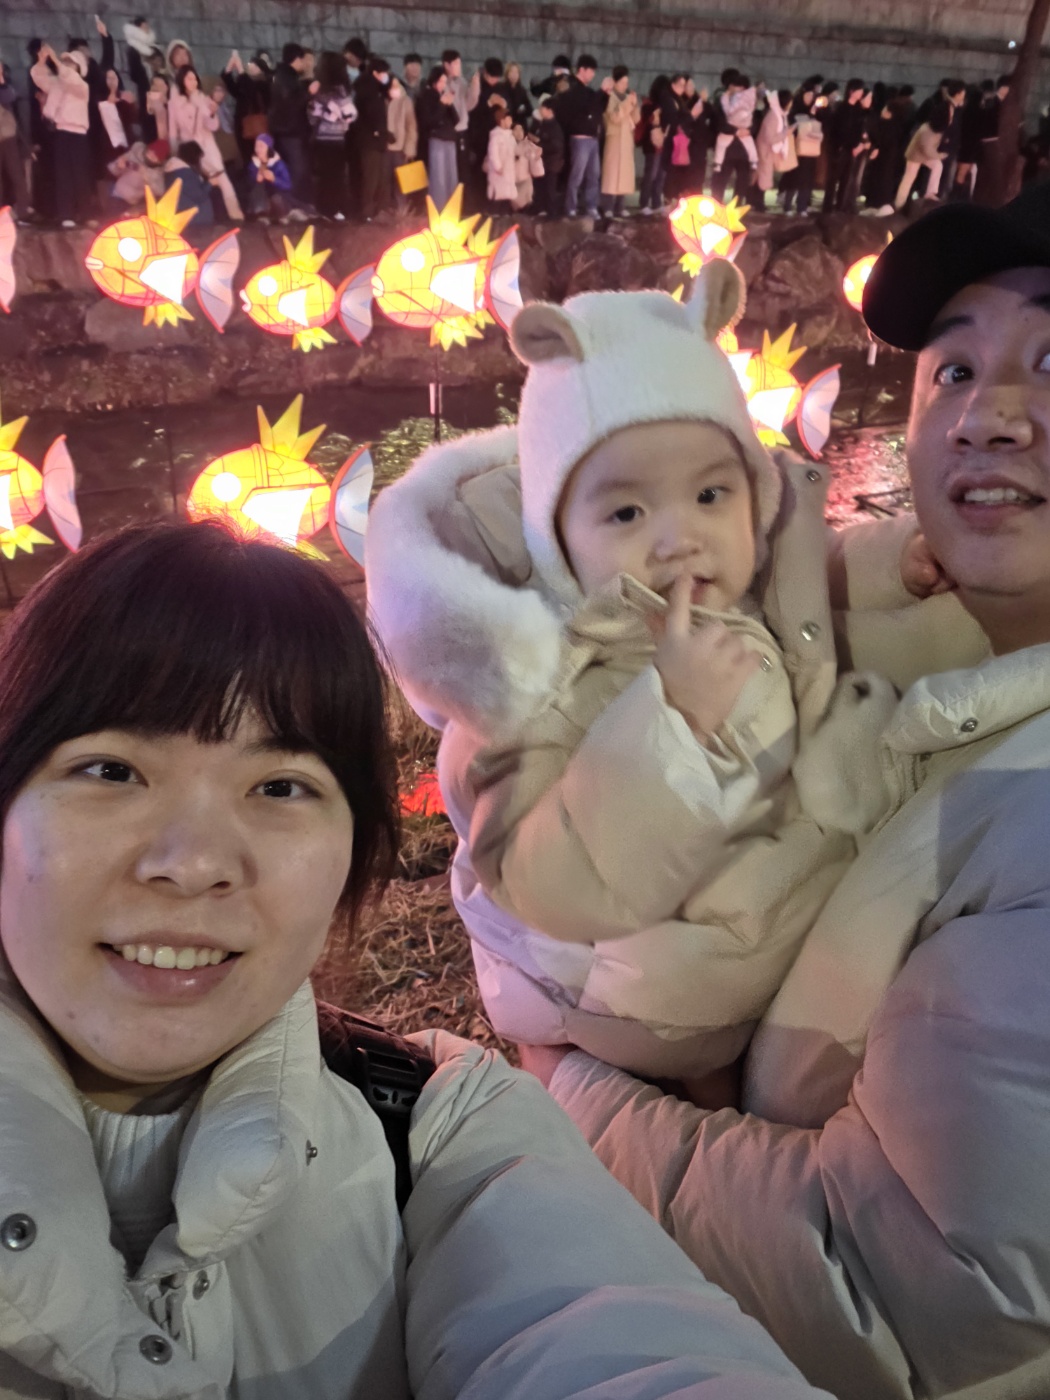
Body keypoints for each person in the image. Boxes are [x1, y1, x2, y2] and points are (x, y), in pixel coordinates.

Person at [0, 520, 832, 1400]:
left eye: (280, 786)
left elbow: (628, 1346)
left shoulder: (441, 1130)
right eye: (112, 771)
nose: (196, 860)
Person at [511, 180, 1050, 1400]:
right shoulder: (930, 667)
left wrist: (565, 1095)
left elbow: (910, 1294)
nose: (987, 415)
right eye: (954, 369)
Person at [365, 263, 949, 1099]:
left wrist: (897, 563)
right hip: (648, 1008)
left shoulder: (733, 578)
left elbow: (805, 563)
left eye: (711, 494)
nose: (681, 537)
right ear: (555, 539)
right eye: (627, 513)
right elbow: (547, 879)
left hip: (762, 938)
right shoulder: (547, 680)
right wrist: (674, 727)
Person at [167, 66, 243, 220]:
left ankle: (236, 215)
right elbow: (173, 130)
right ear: (182, 80)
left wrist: (212, 113)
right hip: (189, 149)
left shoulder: (204, 99)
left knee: (222, 178)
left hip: (207, 146)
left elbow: (213, 126)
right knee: (198, 181)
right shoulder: (174, 103)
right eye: (189, 78)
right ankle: (206, 216)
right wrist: (174, 152)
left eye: (194, 78)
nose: (193, 81)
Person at [30, 43, 91, 227]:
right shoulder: (57, 83)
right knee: (63, 175)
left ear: (79, 67)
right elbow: (39, 77)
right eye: (65, 61)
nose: (66, 65)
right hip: (61, 131)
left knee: (79, 175)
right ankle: (66, 215)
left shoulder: (82, 85)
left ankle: (84, 213)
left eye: (70, 62)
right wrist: (42, 61)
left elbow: (70, 78)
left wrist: (55, 60)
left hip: (78, 134)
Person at [307, 50, 356, 221]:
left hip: (322, 139)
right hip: (338, 139)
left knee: (325, 176)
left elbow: (312, 117)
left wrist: (326, 112)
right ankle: (336, 209)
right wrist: (337, 115)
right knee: (337, 176)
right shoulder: (342, 91)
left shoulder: (319, 91)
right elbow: (351, 115)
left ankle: (325, 209)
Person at [557, 54, 606, 218]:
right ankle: (571, 206)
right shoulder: (572, 88)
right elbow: (585, 106)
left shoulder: (588, 91)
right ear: (582, 70)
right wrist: (602, 91)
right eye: (591, 71)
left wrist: (605, 94)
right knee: (577, 175)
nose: (593, 75)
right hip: (579, 138)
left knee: (594, 175)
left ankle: (591, 206)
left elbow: (597, 107)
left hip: (592, 138)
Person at [269, 42, 314, 203]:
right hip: (290, 131)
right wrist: (309, 92)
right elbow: (291, 104)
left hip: (287, 130)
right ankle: (294, 205)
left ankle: (293, 204)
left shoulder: (284, 75)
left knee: (296, 169)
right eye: (303, 60)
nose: (305, 64)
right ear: (297, 59)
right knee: (297, 170)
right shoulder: (286, 77)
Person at [354, 55, 392, 220]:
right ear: (376, 73)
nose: (386, 76)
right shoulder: (369, 90)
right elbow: (372, 115)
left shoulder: (375, 89)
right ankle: (368, 213)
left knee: (380, 177)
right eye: (384, 73)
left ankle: (379, 210)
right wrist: (381, 131)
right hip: (371, 141)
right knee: (372, 178)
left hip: (376, 141)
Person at [416, 66, 459, 212]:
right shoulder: (426, 96)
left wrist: (450, 104)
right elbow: (429, 121)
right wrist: (441, 104)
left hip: (450, 139)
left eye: (445, 82)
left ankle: (452, 208)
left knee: (451, 175)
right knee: (438, 176)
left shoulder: (443, 96)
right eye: (441, 81)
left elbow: (456, 120)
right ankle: (438, 209)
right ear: (434, 81)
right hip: (436, 139)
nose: (443, 85)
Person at [895, 98, 950, 210]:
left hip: (925, 155)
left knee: (937, 165)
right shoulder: (927, 129)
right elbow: (927, 149)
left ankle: (930, 192)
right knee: (909, 178)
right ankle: (898, 204)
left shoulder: (938, 128)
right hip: (915, 155)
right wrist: (940, 155)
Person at [222, 49, 272, 167]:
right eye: (250, 64)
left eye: (255, 65)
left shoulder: (264, 84)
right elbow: (233, 89)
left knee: (258, 155)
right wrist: (231, 65)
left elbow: (252, 91)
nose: (251, 67)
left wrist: (240, 69)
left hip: (257, 125)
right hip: (242, 124)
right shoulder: (244, 81)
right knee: (246, 154)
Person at [600, 65, 638, 217]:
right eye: (622, 82)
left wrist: (635, 105)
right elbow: (614, 117)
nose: (625, 86)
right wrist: (628, 103)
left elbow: (636, 119)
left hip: (626, 139)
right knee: (611, 175)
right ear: (615, 82)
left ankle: (620, 206)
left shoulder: (627, 97)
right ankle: (608, 207)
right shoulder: (609, 97)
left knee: (624, 175)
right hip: (614, 139)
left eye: (626, 83)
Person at [244, 132, 301, 221]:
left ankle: (283, 216)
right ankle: (261, 215)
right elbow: (247, 185)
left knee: (277, 199)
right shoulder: (253, 164)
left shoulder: (278, 164)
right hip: (262, 201)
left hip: (278, 198)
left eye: (261, 146)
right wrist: (256, 179)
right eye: (256, 146)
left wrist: (274, 179)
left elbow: (288, 185)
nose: (258, 149)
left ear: (269, 148)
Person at [713, 69, 758, 180]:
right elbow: (719, 122)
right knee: (722, 178)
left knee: (741, 178)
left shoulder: (747, 99)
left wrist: (749, 130)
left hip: (742, 147)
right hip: (729, 147)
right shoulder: (723, 99)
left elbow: (755, 119)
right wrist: (737, 131)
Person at [0, 58, 29, 222]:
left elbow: (8, 97)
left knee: (16, 175)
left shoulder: (6, 86)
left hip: (8, 136)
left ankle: (23, 213)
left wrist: (1, 81)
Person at [162, 139, 215, 227]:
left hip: (188, 219)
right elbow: (199, 196)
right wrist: (210, 183)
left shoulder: (173, 171)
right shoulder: (184, 173)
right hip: (197, 220)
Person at [385, 74, 418, 214]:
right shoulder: (383, 100)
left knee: (401, 181)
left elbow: (411, 126)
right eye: (392, 86)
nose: (394, 88)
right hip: (384, 148)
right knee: (385, 181)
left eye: (396, 85)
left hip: (400, 148)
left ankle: (402, 209)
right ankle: (387, 208)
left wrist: (409, 148)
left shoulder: (406, 101)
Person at [483, 100, 517, 214]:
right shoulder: (496, 136)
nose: (510, 121)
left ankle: (504, 216)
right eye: (508, 119)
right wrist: (498, 167)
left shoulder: (510, 136)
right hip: (499, 172)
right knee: (497, 195)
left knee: (506, 196)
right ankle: (493, 216)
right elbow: (493, 153)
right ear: (502, 120)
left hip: (509, 171)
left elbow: (515, 150)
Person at [533, 95, 565, 215]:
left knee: (549, 189)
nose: (540, 110)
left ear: (549, 110)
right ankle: (541, 209)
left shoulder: (554, 127)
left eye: (543, 108)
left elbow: (556, 146)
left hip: (551, 164)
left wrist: (540, 144)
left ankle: (551, 213)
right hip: (542, 163)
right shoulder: (543, 124)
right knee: (541, 188)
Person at [512, 121, 543, 210]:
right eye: (516, 129)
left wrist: (536, 158)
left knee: (525, 203)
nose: (519, 132)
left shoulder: (528, 145)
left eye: (521, 129)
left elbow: (537, 168)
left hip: (525, 180)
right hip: (511, 182)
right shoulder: (507, 145)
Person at [503, 62, 533, 127]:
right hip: (507, 124)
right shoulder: (502, 89)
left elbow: (529, 110)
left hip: (520, 125)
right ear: (507, 74)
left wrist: (522, 110)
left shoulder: (522, 90)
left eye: (516, 72)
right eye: (512, 72)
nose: (514, 75)